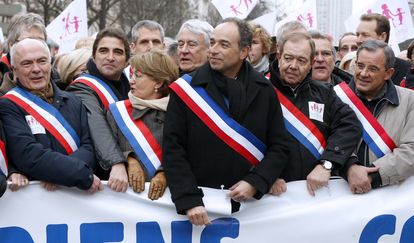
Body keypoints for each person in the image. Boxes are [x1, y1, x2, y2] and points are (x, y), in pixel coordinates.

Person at [164, 18, 290, 225]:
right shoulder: (186, 89)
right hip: (200, 205)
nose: (213, 50)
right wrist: (189, 199)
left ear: (243, 52)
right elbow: (173, 149)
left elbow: (279, 146)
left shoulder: (264, 89)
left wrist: (256, 181)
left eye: (223, 45)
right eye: (212, 43)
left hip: (252, 209)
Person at [0, 38, 102, 192]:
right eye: (27, 63)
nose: (36, 69)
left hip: (77, 197)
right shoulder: (8, 105)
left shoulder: (73, 101)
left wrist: (60, 173)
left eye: (42, 61)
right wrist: (77, 172)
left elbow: (89, 147)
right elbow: (28, 154)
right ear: (15, 70)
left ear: (50, 64)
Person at [268, 32, 361, 196]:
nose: (293, 66)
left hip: (317, 195)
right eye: (288, 58)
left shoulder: (324, 93)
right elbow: (244, 139)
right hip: (272, 195)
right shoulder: (259, 90)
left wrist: (327, 164)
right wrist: (263, 174)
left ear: (310, 64)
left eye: (301, 61)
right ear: (279, 56)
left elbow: (349, 126)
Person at [337, 40, 414, 194]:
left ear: (389, 73)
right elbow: (328, 140)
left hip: (390, 196)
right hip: (341, 191)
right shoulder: (337, 97)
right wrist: (350, 167)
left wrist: (373, 175)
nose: (363, 73)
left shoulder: (409, 99)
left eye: (372, 69)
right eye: (360, 66)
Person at [107, 49, 178, 199]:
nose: (132, 80)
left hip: (169, 200)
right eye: (132, 74)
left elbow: (187, 151)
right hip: (127, 200)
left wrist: (165, 172)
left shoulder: (179, 112)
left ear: (158, 82)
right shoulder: (117, 111)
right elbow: (107, 148)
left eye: (138, 76)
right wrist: (128, 159)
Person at [67, 28, 131, 192]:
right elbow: (97, 126)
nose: (110, 57)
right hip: (102, 177)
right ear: (94, 57)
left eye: (117, 52)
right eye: (103, 51)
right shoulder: (82, 87)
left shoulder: (131, 87)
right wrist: (116, 162)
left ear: (127, 61)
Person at [356, 13, 411, 85]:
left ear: (382, 37)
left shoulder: (407, 71)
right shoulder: (349, 67)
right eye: (357, 35)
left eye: (365, 35)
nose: (358, 40)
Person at [0, 13, 47, 94]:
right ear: (11, 45)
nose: (35, 46)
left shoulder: (56, 76)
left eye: (40, 41)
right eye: (28, 41)